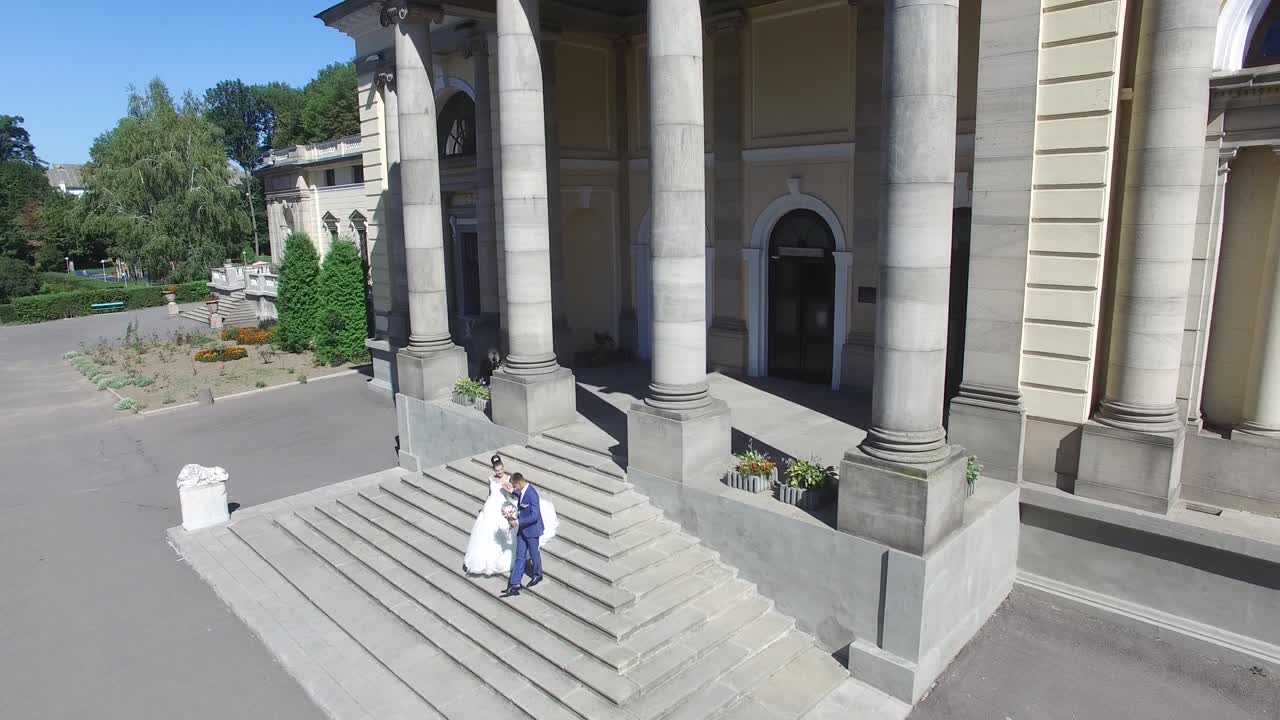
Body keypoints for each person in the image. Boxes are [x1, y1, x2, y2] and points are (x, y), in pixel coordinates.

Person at [461, 454, 558, 577]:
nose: (499, 472)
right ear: (493, 469)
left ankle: (527, 570)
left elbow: (515, 494)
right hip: (492, 506)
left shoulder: (509, 479)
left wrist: (510, 497)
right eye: (497, 470)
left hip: (504, 504)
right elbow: (490, 493)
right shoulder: (490, 479)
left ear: (503, 467)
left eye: (501, 469)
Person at [502, 472, 546, 598]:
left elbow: (534, 516)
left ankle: (538, 575)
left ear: (520, 483)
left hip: (532, 531)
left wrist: (517, 522)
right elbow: (519, 495)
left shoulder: (532, 494)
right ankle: (515, 584)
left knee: (533, 554)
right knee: (520, 556)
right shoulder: (522, 490)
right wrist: (512, 491)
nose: (515, 488)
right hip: (522, 530)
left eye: (515, 486)